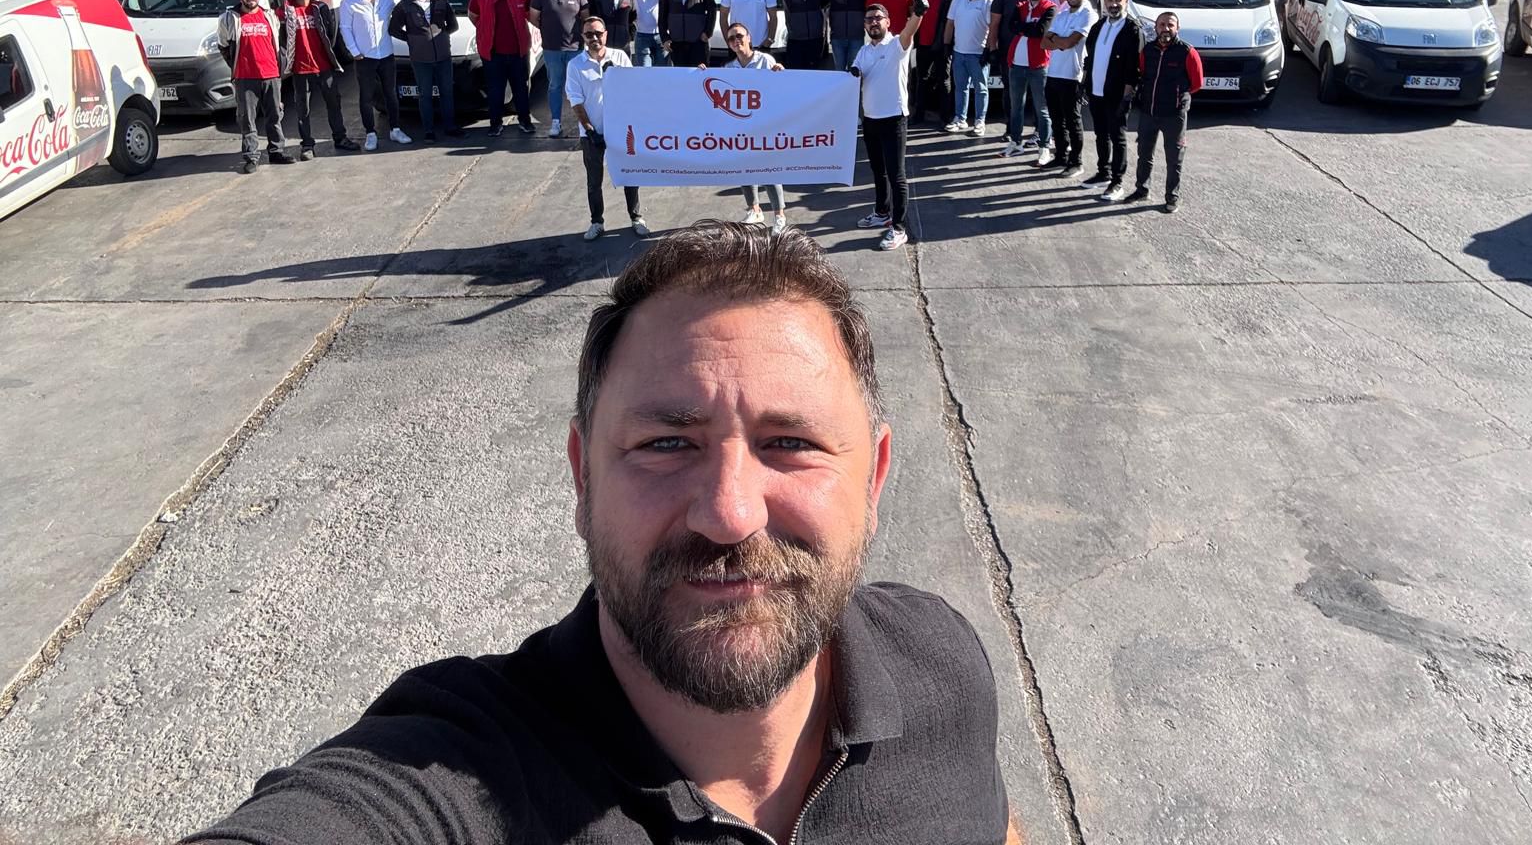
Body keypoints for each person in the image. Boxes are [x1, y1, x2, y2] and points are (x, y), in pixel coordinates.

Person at [182, 221, 1018, 845]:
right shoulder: (459, 771)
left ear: (873, 480)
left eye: (790, 443)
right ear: (584, 478)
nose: (729, 512)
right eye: (666, 445)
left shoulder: (941, 659)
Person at [850, 0, 927, 251]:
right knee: (878, 171)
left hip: (894, 118)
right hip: (870, 118)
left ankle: (899, 228)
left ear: (887, 22)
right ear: (864, 25)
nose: (873, 23)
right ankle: (882, 213)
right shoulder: (863, 51)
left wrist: (918, 13)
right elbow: (854, 75)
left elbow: (909, 31)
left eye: (878, 18)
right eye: (869, 19)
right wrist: (853, 74)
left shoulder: (897, 45)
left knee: (897, 175)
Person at [697, 24, 788, 232]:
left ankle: (779, 215)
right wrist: (701, 73)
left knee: (769, 169)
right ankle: (754, 209)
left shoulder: (765, 60)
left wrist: (780, 72)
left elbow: (780, 87)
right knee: (743, 167)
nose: (736, 40)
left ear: (749, 37)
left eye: (739, 35)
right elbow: (715, 87)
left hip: (765, 125)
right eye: (731, 38)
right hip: (740, 127)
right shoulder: (729, 68)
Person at [566, 15, 647, 241]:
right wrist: (590, 130)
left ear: (606, 34)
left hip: (621, 132)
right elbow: (576, 101)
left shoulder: (620, 57)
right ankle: (597, 222)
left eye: (598, 33)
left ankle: (636, 217)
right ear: (583, 37)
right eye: (589, 34)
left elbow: (632, 89)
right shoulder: (575, 66)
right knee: (594, 181)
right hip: (591, 134)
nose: (594, 38)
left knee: (630, 176)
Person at [1130, 10, 1203, 214]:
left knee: (1174, 158)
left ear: (1177, 28)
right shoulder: (1148, 50)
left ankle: (1172, 197)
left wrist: (1178, 97)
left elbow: (1197, 83)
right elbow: (1142, 73)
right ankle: (1141, 190)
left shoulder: (1187, 51)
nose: (1166, 29)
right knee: (1144, 153)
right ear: (1155, 27)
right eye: (1162, 24)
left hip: (1174, 114)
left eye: (1170, 25)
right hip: (1149, 111)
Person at [216, 0, 293, 173]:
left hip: (271, 74)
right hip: (245, 77)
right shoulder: (230, 18)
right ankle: (251, 156)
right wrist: (237, 66)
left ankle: (276, 151)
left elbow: (279, 41)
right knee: (247, 119)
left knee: (275, 115)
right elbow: (223, 45)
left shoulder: (269, 16)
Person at [279, 0, 356, 160]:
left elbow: (330, 33)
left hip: (324, 66)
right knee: (302, 110)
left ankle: (340, 138)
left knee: (334, 104)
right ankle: (307, 145)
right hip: (299, 68)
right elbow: (280, 36)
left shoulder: (320, 7)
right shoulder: (285, 10)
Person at [338, 0, 411, 151]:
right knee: (366, 97)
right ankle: (370, 134)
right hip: (364, 58)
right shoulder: (348, 2)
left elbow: (406, 7)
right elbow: (345, 28)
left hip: (386, 55)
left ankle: (395, 130)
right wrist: (354, 51)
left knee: (391, 94)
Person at [387, 0, 463, 142]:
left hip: (443, 57)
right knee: (425, 95)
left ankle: (450, 127)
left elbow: (453, 25)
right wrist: (412, 39)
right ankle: (429, 131)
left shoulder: (441, 2)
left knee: (447, 93)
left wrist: (441, 37)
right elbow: (393, 29)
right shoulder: (404, 6)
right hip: (420, 59)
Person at [1083, 0, 1142, 202]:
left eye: (1118, 0)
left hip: (1117, 94)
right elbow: (1090, 56)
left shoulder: (1132, 30)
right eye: (1110, 0)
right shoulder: (1099, 26)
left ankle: (1117, 181)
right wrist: (1085, 83)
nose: (1114, 4)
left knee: (1117, 137)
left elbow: (1134, 67)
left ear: (1126, 2)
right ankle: (1103, 173)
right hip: (1096, 91)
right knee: (1101, 134)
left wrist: (1127, 95)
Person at [467, 0, 537, 138]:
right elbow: (473, 15)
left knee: (521, 89)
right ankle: (495, 124)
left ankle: (525, 121)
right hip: (493, 54)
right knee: (495, 91)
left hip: (518, 52)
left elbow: (531, 15)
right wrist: (485, 31)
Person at [999, 0, 1056, 166]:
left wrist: (1024, 27)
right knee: (1016, 107)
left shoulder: (1050, 8)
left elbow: (1040, 31)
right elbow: (1011, 26)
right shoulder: (1020, 6)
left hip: (1038, 65)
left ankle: (1044, 147)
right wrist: (1027, 27)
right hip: (1016, 64)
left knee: (1042, 108)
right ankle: (1016, 142)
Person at [1042, 0, 1096, 178]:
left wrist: (1056, 39)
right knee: (1057, 120)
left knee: (1073, 121)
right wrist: (1060, 40)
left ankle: (1076, 162)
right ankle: (1061, 156)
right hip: (1053, 73)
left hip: (1073, 75)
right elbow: (1044, 43)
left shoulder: (1088, 15)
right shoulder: (1063, 13)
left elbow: (1069, 43)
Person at [530, 0, 587, 138]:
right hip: (552, 49)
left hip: (575, 49)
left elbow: (586, 17)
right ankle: (556, 122)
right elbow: (533, 17)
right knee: (555, 86)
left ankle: (583, 122)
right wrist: (548, 30)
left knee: (578, 87)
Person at [944, 0, 994, 136]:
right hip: (959, 53)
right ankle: (960, 118)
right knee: (960, 88)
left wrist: (989, 50)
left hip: (979, 54)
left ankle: (980, 121)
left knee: (981, 89)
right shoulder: (958, 0)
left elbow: (993, 28)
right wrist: (946, 45)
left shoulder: (989, 1)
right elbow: (950, 24)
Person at [909, 0, 953, 125]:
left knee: (944, 81)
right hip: (923, 44)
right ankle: (918, 115)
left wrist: (947, 44)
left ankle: (945, 117)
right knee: (922, 80)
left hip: (942, 45)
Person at [587, 0, 637, 70]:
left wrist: (629, 35)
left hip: (623, 46)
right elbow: (590, 19)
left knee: (624, 75)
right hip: (602, 46)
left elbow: (633, 18)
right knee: (600, 75)